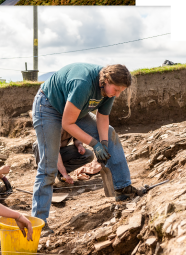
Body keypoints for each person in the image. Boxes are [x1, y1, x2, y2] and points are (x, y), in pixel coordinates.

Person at [32, 63, 140, 233]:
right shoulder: (83, 83)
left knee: (109, 134)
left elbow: (103, 117)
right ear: (105, 80)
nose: (117, 95)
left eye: (121, 91)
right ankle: (38, 221)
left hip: (76, 110)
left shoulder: (109, 89)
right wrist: (94, 144)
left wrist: (103, 143)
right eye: (116, 90)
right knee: (49, 165)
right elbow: (67, 123)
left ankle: (122, 188)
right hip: (48, 106)